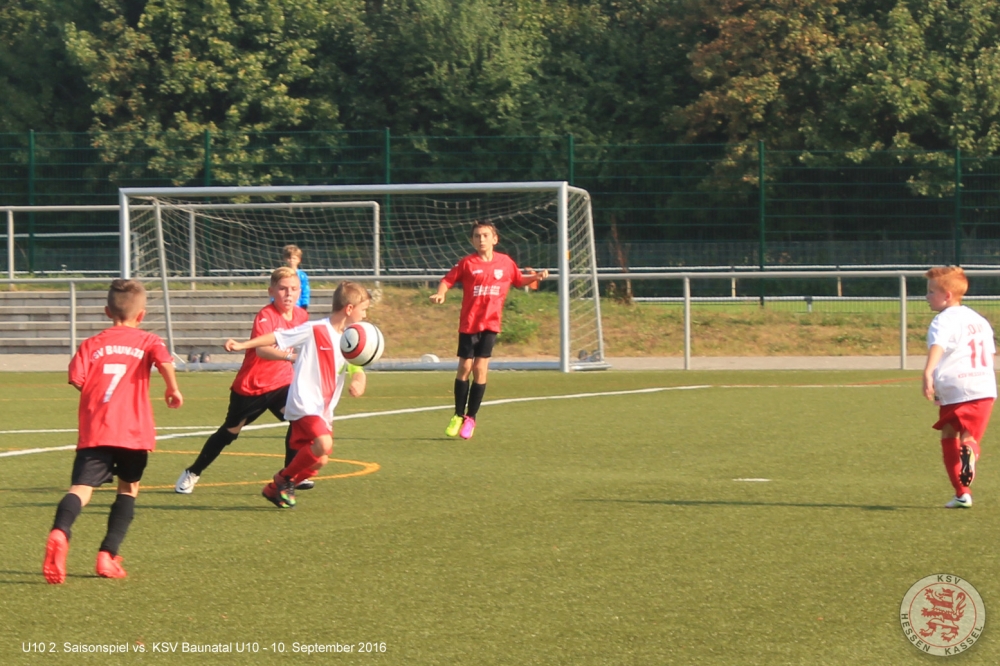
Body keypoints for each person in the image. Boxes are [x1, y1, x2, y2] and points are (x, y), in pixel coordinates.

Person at [43, 279, 183, 584]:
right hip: (133, 432)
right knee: (128, 489)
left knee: (81, 490)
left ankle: (60, 531)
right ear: (142, 315)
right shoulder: (149, 340)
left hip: (96, 430)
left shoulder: (91, 344)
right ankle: (107, 556)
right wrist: (172, 388)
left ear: (107, 311)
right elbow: (164, 360)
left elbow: (77, 378)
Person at [224, 281, 369, 508]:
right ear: (349, 309)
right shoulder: (315, 329)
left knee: (320, 460)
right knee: (323, 443)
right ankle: (282, 480)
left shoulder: (349, 341)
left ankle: (276, 488)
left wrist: (358, 382)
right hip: (304, 403)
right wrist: (244, 345)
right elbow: (277, 337)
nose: (365, 315)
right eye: (364, 309)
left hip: (323, 410)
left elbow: (357, 369)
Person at [174, 267, 310, 494]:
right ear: (271, 291)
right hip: (253, 387)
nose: (289, 294)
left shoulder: (301, 316)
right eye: (283, 289)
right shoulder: (265, 316)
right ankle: (193, 472)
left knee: (299, 422)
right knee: (230, 432)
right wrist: (292, 357)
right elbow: (262, 350)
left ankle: (290, 475)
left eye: (294, 289)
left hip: (282, 383)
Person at [429, 221, 548, 440]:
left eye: (485, 235)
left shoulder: (505, 262)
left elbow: (519, 280)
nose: (481, 239)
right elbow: (447, 280)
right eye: (477, 236)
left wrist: (535, 277)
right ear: (472, 240)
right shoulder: (467, 263)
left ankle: (471, 418)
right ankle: (457, 415)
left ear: (495, 239)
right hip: (469, 323)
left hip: (491, 324)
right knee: (465, 367)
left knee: (480, 368)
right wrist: (441, 293)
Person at [922, 266, 997, 509]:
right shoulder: (979, 320)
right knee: (969, 437)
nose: (927, 296)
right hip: (984, 386)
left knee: (949, 435)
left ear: (947, 296)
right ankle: (963, 489)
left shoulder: (943, 319)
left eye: (931, 291)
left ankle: (962, 491)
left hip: (955, 385)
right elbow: (990, 354)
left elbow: (939, 346)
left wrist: (928, 372)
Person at [283, 244, 310, 311]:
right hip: (283, 305)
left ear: (299, 259)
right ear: (285, 259)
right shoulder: (281, 274)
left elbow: (305, 290)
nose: (291, 260)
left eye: (294, 258)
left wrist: (304, 304)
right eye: (289, 258)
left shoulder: (302, 275)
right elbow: (275, 288)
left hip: (298, 306)